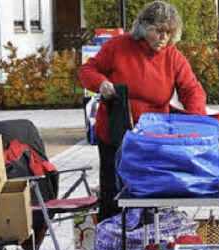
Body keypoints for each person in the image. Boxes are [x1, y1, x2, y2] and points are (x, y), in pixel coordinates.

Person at [79, 2, 207, 221]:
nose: (163, 38)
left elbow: (191, 89)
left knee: (150, 193)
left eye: (169, 32)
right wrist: (100, 83)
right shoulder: (118, 46)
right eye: (159, 31)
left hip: (152, 137)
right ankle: (111, 243)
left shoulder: (173, 56)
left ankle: (147, 241)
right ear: (144, 28)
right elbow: (87, 70)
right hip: (114, 132)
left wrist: (197, 121)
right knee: (113, 194)